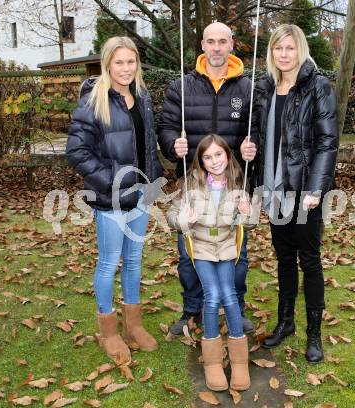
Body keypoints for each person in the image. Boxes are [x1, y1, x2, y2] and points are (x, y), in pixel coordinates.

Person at [65, 36, 163, 364]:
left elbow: (148, 144)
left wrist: (153, 183)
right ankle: (108, 330)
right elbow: (76, 151)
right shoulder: (94, 100)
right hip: (110, 198)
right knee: (110, 262)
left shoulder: (143, 96)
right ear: (108, 64)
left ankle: (132, 325)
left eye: (131, 61)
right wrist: (110, 182)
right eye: (119, 62)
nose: (125, 68)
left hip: (140, 196)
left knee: (134, 260)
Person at [159, 22, 257, 335]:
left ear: (232, 45)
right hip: (193, 185)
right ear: (202, 44)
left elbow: (259, 131)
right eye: (211, 42)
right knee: (189, 252)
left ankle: (235, 309)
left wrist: (252, 145)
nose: (216, 48)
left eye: (222, 42)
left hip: (234, 184)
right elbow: (166, 128)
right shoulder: (182, 87)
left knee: (236, 253)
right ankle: (193, 311)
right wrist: (173, 144)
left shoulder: (247, 89)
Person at [252, 24, 338, 363]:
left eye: (289, 48)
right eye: (277, 49)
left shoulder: (317, 86)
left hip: (304, 191)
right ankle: (285, 321)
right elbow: (260, 138)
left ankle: (314, 333)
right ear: (271, 52)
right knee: (284, 258)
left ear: (299, 50)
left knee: (310, 261)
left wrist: (315, 188)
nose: (283, 55)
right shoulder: (266, 88)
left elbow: (328, 141)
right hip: (274, 189)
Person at [167, 134, 256, 391]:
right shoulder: (191, 184)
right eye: (208, 157)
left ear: (228, 155)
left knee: (229, 295)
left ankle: (239, 361)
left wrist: (248, 214)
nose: (214, 161)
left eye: (219, 155)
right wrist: (185, 219)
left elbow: (248, 223)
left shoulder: (238, 182)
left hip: (227, 248)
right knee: (213, 294)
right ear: (201, 161)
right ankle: (213, 360)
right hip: (203, 248)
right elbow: (172, 216)